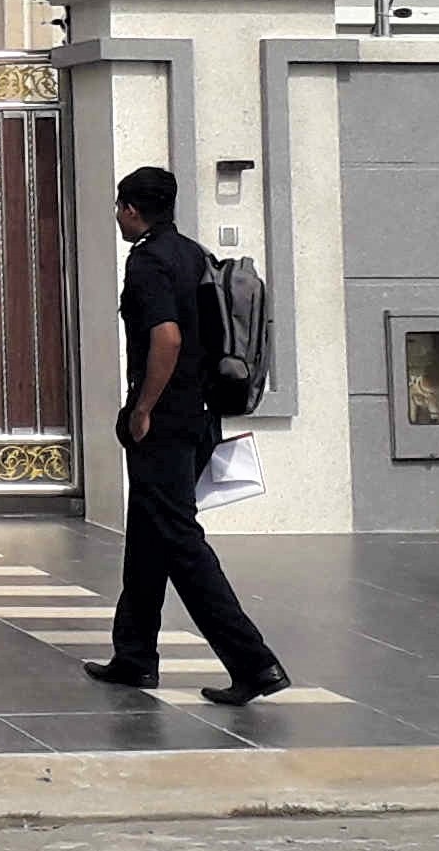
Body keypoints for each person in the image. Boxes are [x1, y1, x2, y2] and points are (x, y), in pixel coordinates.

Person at [84, 165, 290, 706]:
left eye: (120, 208)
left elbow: (167, 339)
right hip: (200, 416)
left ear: (132, 209)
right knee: (149, 535)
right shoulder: (193, 254)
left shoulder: (148, 261)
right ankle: (134, 655)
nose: (119, 217)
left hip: (166, 421)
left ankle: (254, 662)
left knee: (179, 540)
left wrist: (143, 409)